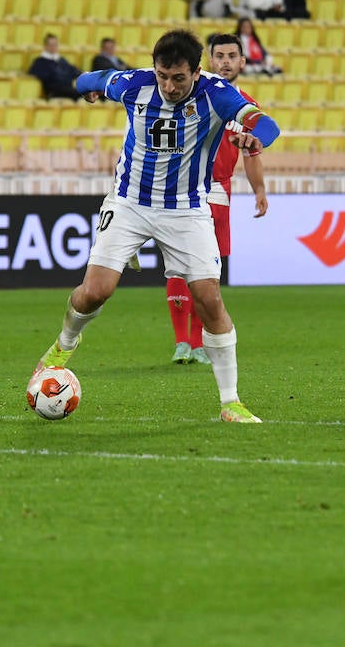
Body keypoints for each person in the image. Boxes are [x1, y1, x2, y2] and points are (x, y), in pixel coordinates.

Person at [33, 29, 280, 423]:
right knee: (95, 292)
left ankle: (230, 402)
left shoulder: (216, 93)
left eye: (178, 78)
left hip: (186, 209)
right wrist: (88, 88)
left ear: (196, 72)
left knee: (210, 299)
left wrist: (254, 138)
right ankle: (62, 346)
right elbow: (88, 79)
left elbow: (263, 122)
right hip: (129, 203)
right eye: (163, 75)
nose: (168, 86)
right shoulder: (134, 84)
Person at [165, 34, 268, 365]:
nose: (224, 61)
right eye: (219, 55)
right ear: (208, 61)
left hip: (219, 190)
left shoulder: (245, 106)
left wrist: (260, 190)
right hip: (182, 188)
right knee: (178, 268)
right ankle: (182, 342)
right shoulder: (187, 94)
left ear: (242, 62)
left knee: (207, 270)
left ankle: (197, 344)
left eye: (231, 56)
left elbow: (252, 151)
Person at [29, 33, 83, 99]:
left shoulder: (61, 60)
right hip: (54, 92)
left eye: (55, 45)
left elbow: (73, 70)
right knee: (79, 94)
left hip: (68, 88)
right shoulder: (40, 61)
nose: (53, 47)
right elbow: (33, 73)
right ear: (45, 46)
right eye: (51, 45)